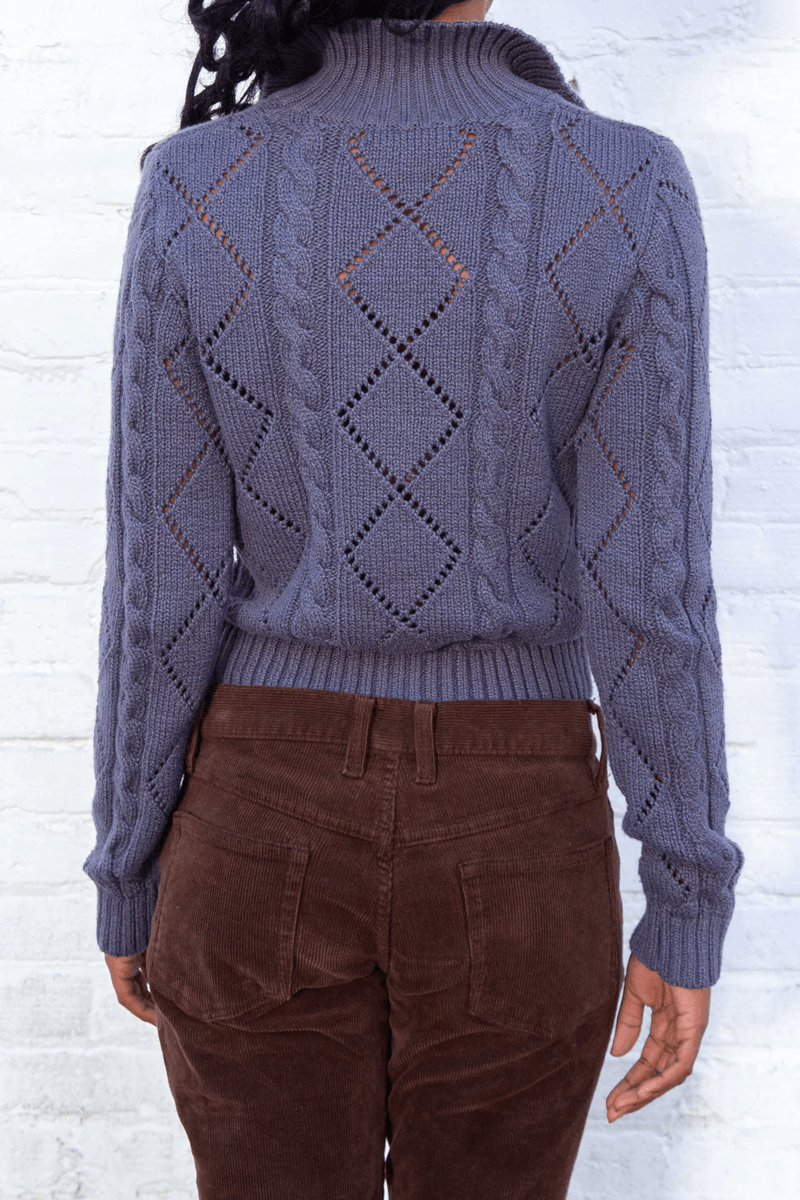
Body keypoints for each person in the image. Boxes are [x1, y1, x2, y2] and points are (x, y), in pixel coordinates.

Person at [83, 1, 745, 1195]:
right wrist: (684, 895)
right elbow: (649, 589)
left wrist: (128, 864)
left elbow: (158, 588)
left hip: (254, 816)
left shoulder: (196, 183)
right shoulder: (623, 184)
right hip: (515, 818)